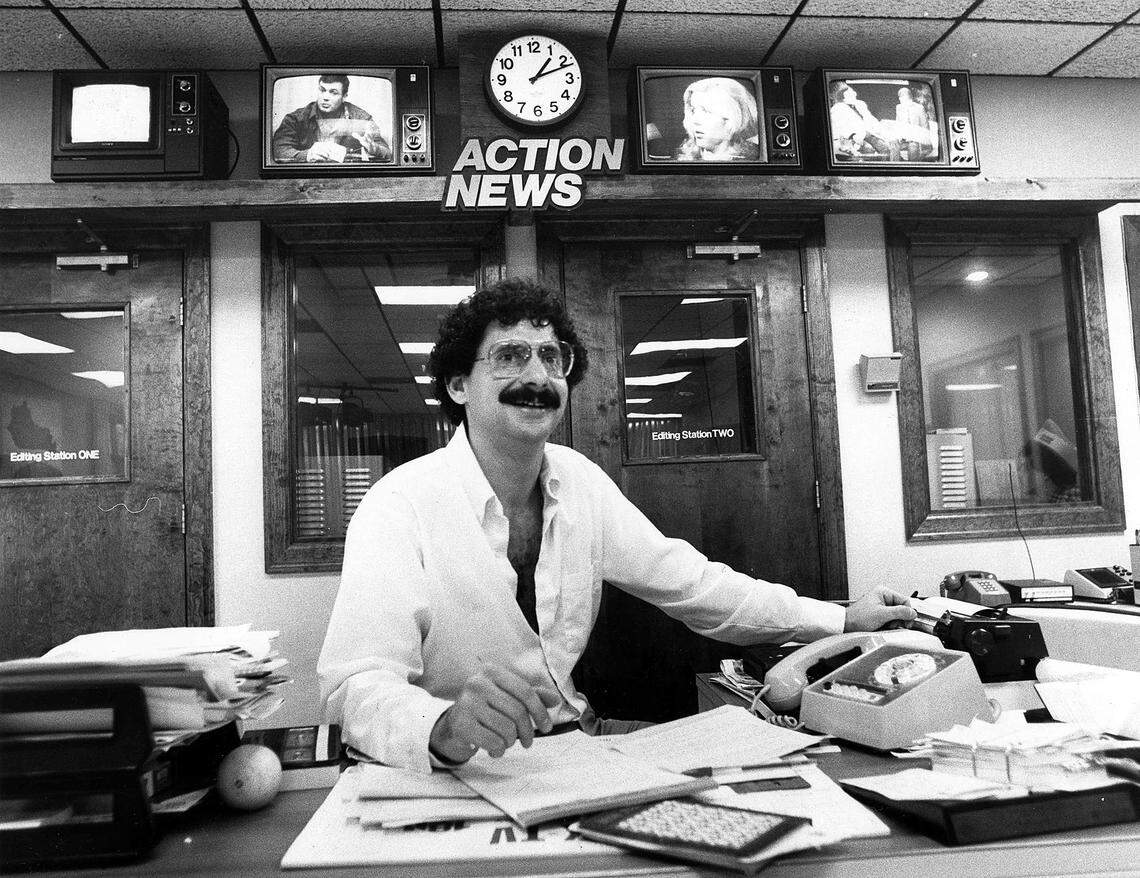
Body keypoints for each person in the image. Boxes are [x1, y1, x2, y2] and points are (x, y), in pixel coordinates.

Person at [318, 278, 916, 772]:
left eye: (552, 358)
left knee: (781, 772)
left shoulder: (579, 483)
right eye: (509, 357)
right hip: (458, 767)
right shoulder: (398, 506)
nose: (538, 377)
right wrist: (443, 725)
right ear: (457, 385)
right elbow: (354, 685)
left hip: (580, 739)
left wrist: (839, 619)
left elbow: (696, 586)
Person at [271, 73, 392, 164]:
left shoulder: (361, 118)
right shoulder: (296, 118)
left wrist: (374, 149)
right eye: (322, 90)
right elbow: (279, 151)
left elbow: (387, 153)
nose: (325, 97)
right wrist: (307, 155)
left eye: (333, 92)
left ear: (344, 96)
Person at [674, 78, 760, 161]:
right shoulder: (682, 157)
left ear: (732, 119)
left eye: (706, 111)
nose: (695, 121)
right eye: (693, 110)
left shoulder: (750, 157)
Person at [829, 81, 900, 162]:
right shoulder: (837, 109)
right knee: (884, 149)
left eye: (852, 91)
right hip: (857, 140)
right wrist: (856, 137)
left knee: (893, 142)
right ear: (843, 97)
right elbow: (841, 131)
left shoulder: (860, 105)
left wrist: (885, 133)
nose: (855, 94)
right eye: (851, 92)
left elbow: (872, 122)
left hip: (870, 135)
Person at [893, 86, 935, 160]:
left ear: (909, 98)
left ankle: (911, 169)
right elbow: (898, 124)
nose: (900, 100)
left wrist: (920, 139)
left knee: (913, 148)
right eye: (899, 98)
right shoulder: (899, 108)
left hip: (915, 139)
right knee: (893, 144)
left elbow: (925, 127)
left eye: (902, 98)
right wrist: (898, 136)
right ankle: (894, 167)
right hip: (903, 138)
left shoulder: (919, 108)